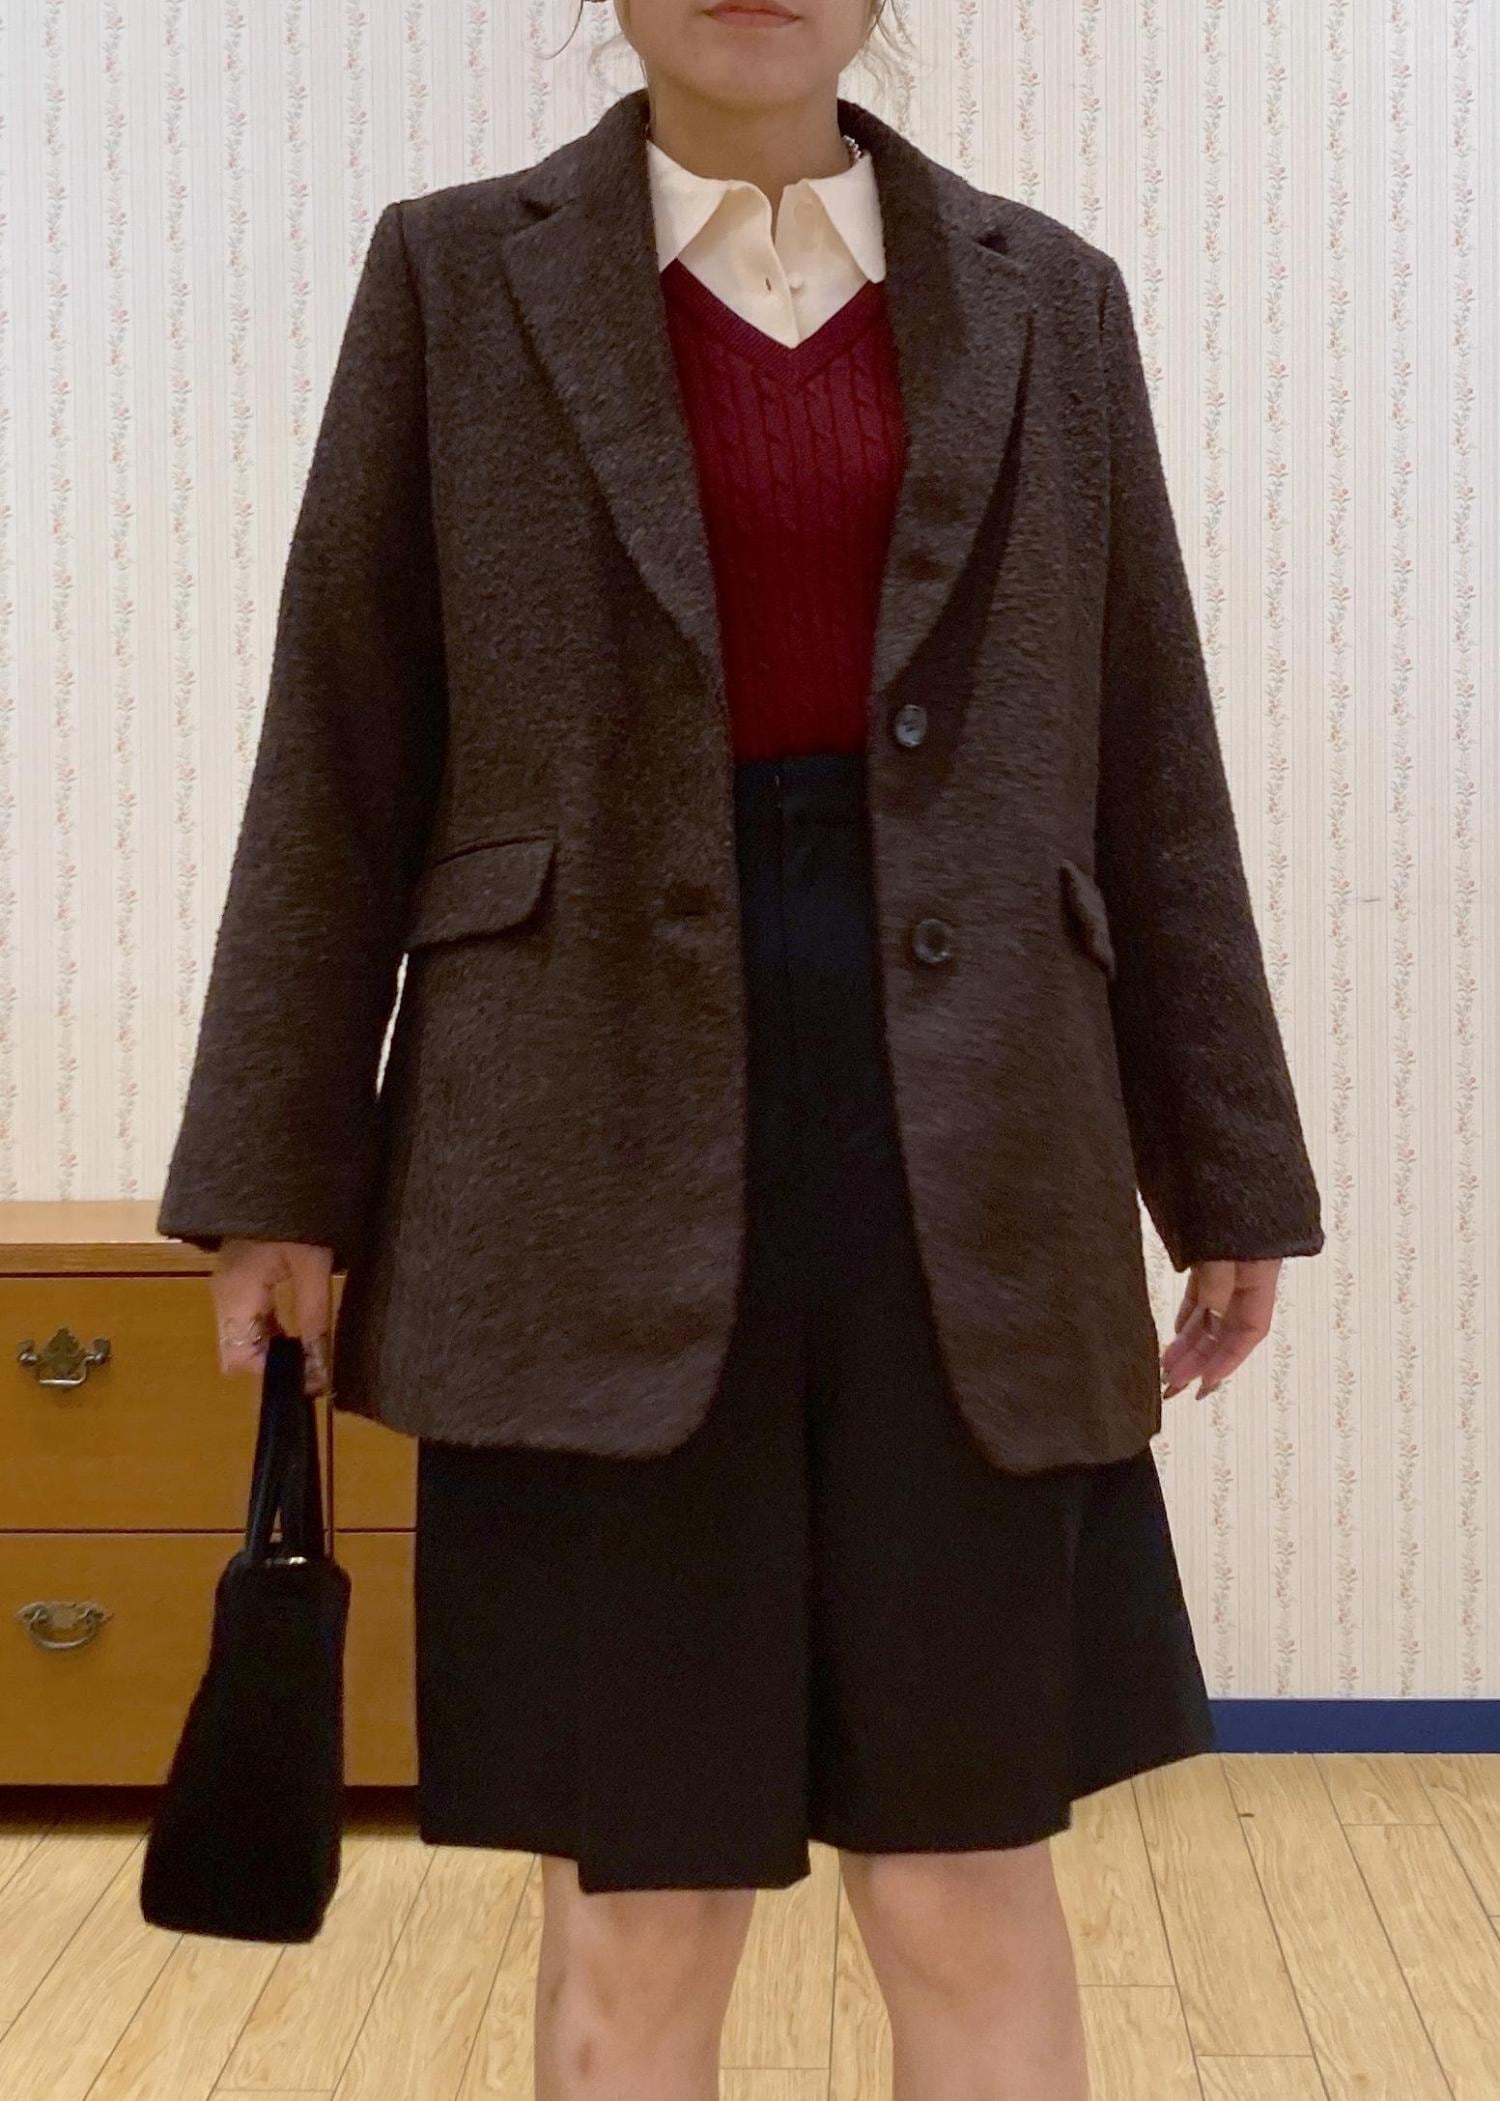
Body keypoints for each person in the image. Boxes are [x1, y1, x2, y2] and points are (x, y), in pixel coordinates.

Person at [154, 3, 1325, 2096]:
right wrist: (275, 1175)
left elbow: (1148, 740)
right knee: (644, 1893)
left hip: (970, 1162)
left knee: (966, 1876)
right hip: (576, 1160)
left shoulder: (1049, 296)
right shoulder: (453, 275)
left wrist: (1223, 1158)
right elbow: (337, 737)